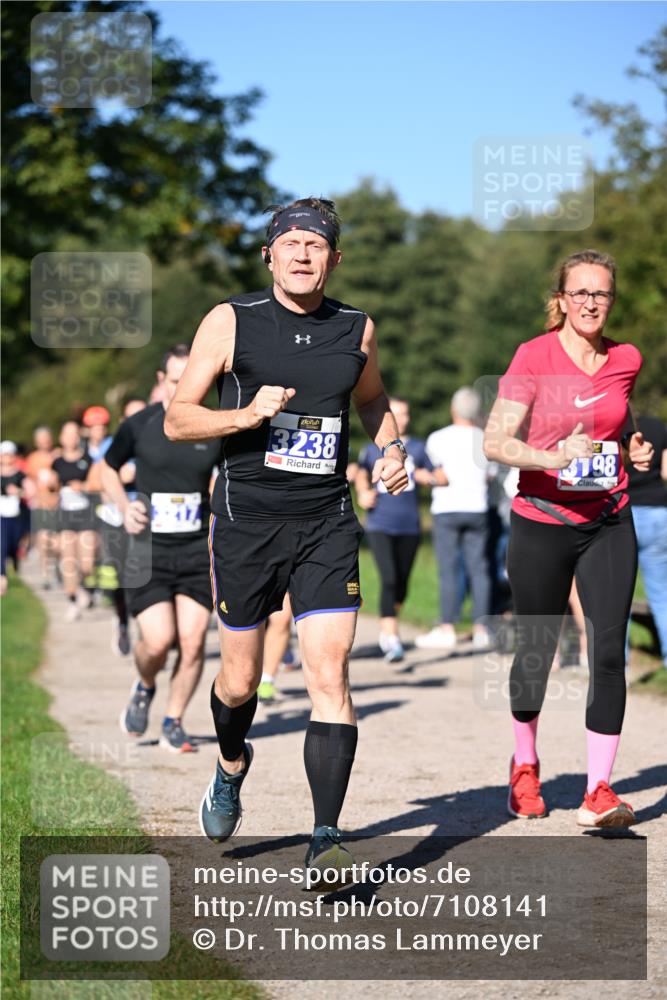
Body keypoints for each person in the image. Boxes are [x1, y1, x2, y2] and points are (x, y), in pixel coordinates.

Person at [164, 196, 408, 879]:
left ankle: (325, 837)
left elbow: (371, 400)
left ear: (334, 258)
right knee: (240, 680)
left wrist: (390, 448)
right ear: (269, 255)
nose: (303, 254)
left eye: (316, 244)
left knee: (330, 673)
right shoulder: (230, 320)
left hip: (326, 520)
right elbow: (179, 420)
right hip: (246, 522)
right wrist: (244, 415)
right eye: (291, 243)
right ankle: (230, 764)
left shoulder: (356, 327)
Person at [483, 249, 653, 829]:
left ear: (612, 300)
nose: (590, 303)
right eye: (579, 292)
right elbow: (495, 441)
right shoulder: (533, 356)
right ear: (561, 299)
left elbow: (616, 419)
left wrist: (632, 446)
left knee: (607, 650)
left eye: (601, 293)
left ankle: (599, 789)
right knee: (537, 652)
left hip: (609, 519)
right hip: (542, 520)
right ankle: (525, 765)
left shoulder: (626, 359)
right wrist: (553, 457)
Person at [101, 346, 221, 752]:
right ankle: (145, 682)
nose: (184, 387)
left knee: (193, 641)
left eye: (193, 379)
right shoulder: (140, 424)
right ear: (160, 380)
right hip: (147, 549)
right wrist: (125, 506)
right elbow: (107, 468)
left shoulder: (213, 426)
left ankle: (174, 720)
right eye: (175, 380)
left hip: (196, 549)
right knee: (157, 641)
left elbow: (227, 479)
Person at [416, 387, 493, 652]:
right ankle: (482, 629)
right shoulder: (485, 438)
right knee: (479, 569)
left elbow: (433, 472)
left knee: (448, 569)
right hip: (477, 507)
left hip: (446, 508)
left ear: (453, 409)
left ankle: (447, 627)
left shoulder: (437, 438)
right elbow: (490, 475)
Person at [356, 397, 432, 662]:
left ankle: (389, 622)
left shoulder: (419, 448)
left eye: (405, 413)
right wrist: (362, 492)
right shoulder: (372, 448)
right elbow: (360, 472)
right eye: (395, 413)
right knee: (388, 579)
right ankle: (391, 637)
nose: (401, 419)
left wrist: (428, 478)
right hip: (380, 524)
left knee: (401, 585)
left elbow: (439, 475)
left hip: (410, 525)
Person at [626, 413, 667, 667]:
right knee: (662, 593)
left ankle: (616, 663)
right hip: (657, 513)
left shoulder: (613, 430)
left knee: (617, 593)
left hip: (623, 513)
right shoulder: (658, 426)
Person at [51, 422, 96, 622]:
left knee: (87, 563)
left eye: (74, 434)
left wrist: (83, 486)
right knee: (68, 560)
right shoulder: (57, 461)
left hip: (85, 514)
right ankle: (72, 601)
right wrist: (51, 487)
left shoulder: (88, 459)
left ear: (79, 437)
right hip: (65, 515)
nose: (70, 438)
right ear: (61, 438)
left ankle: (85, 586)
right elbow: (51, 488)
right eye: (67, 434)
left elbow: (97, 483)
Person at [24, 426, 60, 589]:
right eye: (41, 439)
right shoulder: (33, 459)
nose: (44, 442)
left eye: (46, 438)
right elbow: (29, 480)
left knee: (58, 542)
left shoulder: (58, 455)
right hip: (41, 506)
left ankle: (59, 569)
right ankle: (46, 574)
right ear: (36, 442)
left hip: (58, 505)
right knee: (43, 539)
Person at [1, 441, 34, 596]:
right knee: (1, 546)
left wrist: (18, 492)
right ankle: (2, 579)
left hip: (16, 517)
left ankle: (14, 561)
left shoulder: (20, 474)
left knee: (13, 546)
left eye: (9, 455)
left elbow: (31, 492)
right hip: (1, 517)